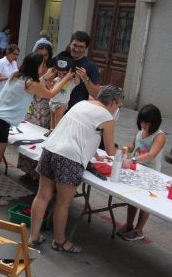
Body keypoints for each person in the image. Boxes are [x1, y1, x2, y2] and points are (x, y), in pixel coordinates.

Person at [29, 85, 122, 253]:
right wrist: (125, 155)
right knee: (63, 203)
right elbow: (110, 150)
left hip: (50, 149)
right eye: (119, 105)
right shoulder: (107, 118)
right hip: (69, 157)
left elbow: (82, 131)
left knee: (42, 196)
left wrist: (95, 155)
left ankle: (33, 237)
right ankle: (59, 241)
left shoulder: (82, 104)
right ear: (113, 102)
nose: (117, 109)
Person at [0, 53, 75, 206]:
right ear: (36, 67)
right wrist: (66, 78)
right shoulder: (31, 83)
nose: (45, 67)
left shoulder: (17, 75)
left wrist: (47, 75)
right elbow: (51, 93)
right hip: (0, 122)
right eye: (43, 65)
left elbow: (33, 84)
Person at [117, 104, 166, 242]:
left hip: (150, 173)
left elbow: (151, 154)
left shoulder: (159, 136)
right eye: (142, 122)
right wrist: (125, 149)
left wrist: (133, 159)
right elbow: (134, 146)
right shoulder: (140, 132)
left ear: (154, 122)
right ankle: (129, 224)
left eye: (147, 123)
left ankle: (139, 229)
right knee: (133, 199)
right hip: (136, 170)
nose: (143, 125)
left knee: (145, 202)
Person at [65, 31, 101, 110]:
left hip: (76, 111)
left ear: (86, 48)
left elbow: (97, 95)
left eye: (81, 47)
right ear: (70, 44)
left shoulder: (91, 66)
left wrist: (85, 79)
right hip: (55, 110)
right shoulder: (62, 60)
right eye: (75, 45)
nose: (77, 49)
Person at [25, 43, 54, 129]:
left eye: (45, 55)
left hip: (46, 104)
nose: (43, 58)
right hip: (31, 102)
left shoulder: (52, 69)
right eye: (40, 55)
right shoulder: (31, 67)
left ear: (49, 55)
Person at [48, 56, 80, 132]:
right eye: (59, 73)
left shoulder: (71, 81)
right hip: (52, 101)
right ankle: (51, 130)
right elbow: (51, 89)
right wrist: (49, 83)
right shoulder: (56, 79)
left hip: (61, 103)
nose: (61, 75)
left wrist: (76, 73)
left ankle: (56, 133)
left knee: (58, 119)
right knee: (52, 118)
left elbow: (77, 81)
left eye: (64, 74)